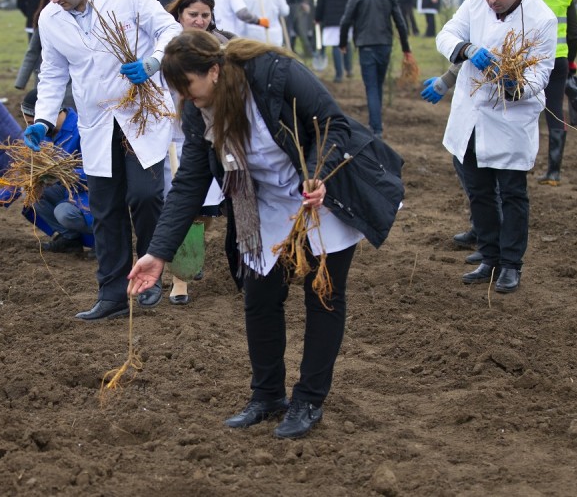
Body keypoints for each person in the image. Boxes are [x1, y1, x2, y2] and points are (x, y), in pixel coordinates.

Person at [128, 30, 404, 439]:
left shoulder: (276, 74)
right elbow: (189, 181)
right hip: (263, 204)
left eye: (188, 85)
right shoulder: (199, 110)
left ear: (215, 71)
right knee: (259, 297)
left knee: (323, 295)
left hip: (318, 192)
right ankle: (267, 395)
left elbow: (332, 123)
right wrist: (158, 253)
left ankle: (309, 399)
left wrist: (318, 173)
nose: (186, 97)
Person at [23, 0, 182, 320]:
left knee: (144, 195)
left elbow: (170, 29)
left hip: (140, 113)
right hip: (95, 121)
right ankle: (111, 294)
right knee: (105, 209)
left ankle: (150, 275)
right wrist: (44, 120)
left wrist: (153, 61)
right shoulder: (51, 19)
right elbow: (52, 73)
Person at [435, 0, 557, 294]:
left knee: (513, 194)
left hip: (509, 118)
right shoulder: (477, 0)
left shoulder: (540, 18)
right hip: (471, 115)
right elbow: (446, 34)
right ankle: (489, 257)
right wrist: (466, 48)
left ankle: (511, 265)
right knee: (480, 192)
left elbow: (540, 72)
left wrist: (513, 83)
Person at [419, 0, 487, 266]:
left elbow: (470, 46)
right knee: (465, 160)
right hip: (471, 94)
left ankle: (488, 233)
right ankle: (481, 227)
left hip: (483, 95)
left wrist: (446, 80)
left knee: (475, 166)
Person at [164, 0, 228, 305]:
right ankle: (180, 280)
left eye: (206, 15)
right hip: (168, 135)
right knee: (179, 207)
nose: (200, 20)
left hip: (205, 135)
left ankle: (186, 266)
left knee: (201, 212)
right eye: (194, 14)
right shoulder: (162, 44)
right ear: (179, 14)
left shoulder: (221, 47)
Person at [0, 88, 94, 254]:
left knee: (63, 213)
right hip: (67, 191)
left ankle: (102, 240)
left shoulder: (84, 127)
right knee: (31, 193)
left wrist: (64, 173)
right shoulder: (39, 135)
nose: (30, 128)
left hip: (92, 192)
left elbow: (99, 171)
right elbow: (24, 171)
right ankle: (70, 239)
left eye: (33, 123)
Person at [522, 0, 577, 186]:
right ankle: (554, 172)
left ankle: (520, 166)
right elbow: (575, 32)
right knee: (555, 110)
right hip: (559, 59)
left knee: (523, 109)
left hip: (530, 60)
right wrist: (570, 59)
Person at [339, 0, 413, 138]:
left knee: (371, 86)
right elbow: (400, 24)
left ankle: (376, 129)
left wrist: (342, 43)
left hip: (366, 45)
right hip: (384, 44)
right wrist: (406, 49)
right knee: (377, 84)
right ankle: (376, 123)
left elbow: (346, 20)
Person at [315, 0, 358, 83]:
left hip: (331, 19)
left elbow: (320, 2)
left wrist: (317, 17)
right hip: (347, 18)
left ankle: (339, 74)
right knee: (346, 43)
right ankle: (348, 68)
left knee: (335, 46)